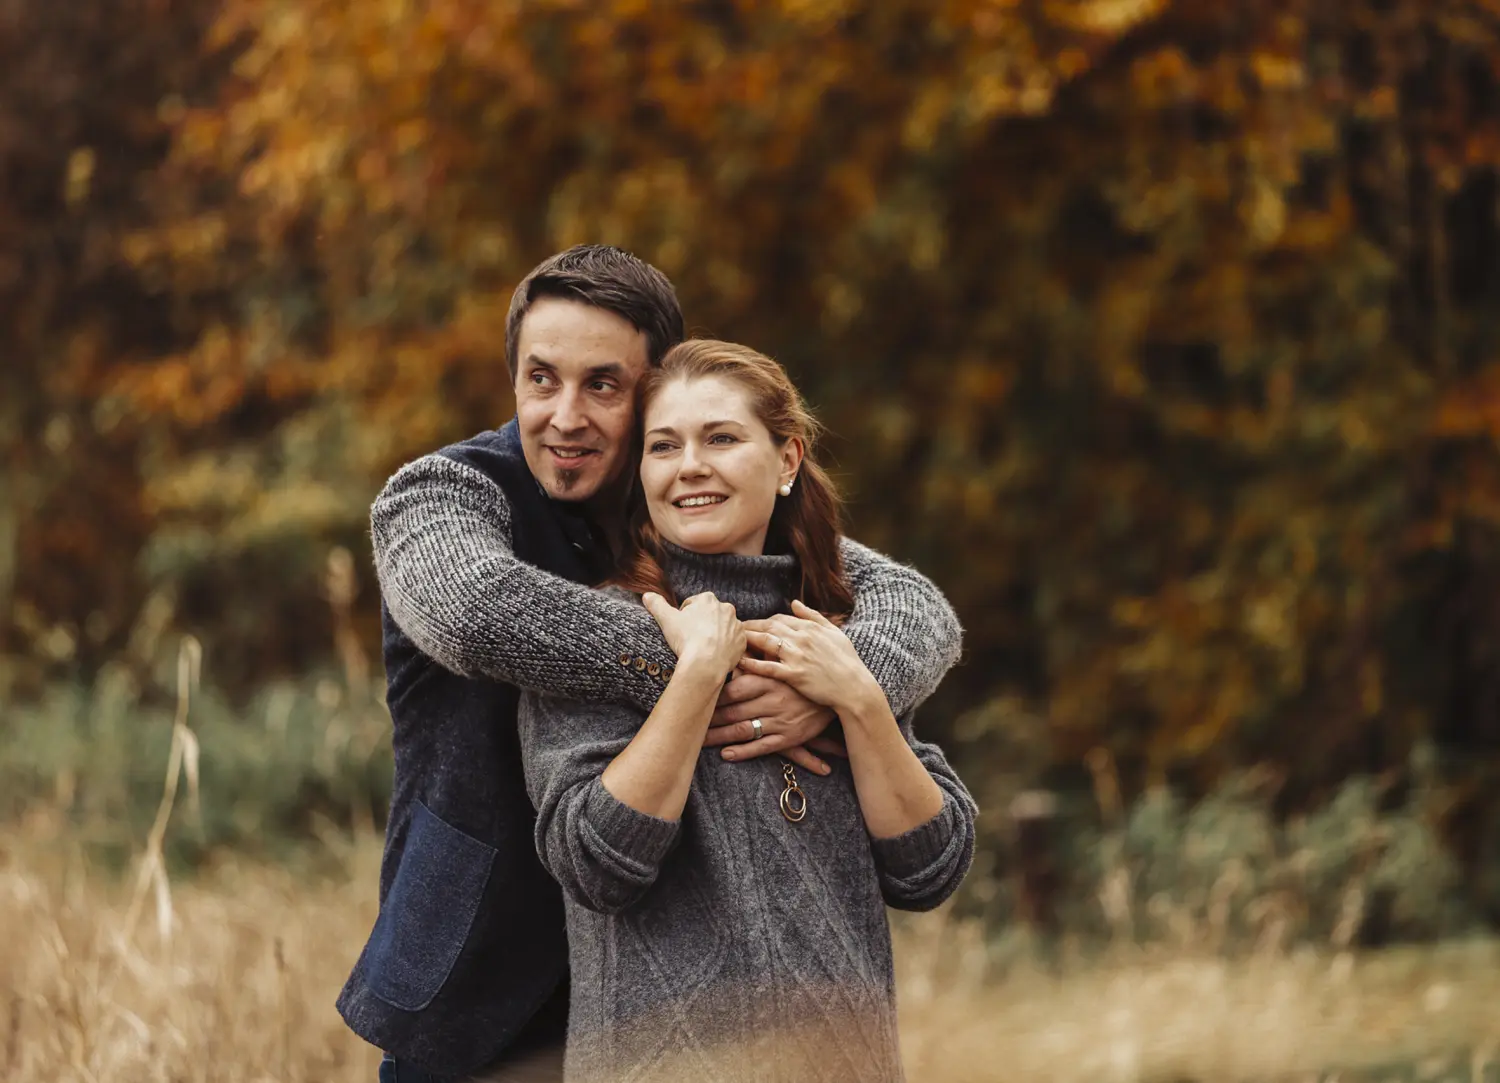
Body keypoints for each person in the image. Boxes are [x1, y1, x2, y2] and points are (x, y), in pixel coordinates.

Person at [336, 246, 966, 1082]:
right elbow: (472, 613)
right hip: (478, 971)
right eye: (540, 378)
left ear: (649, 388)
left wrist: (845, 688)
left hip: (641, 986)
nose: (565, 415)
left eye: (602, 384)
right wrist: (704, 672)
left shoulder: (683, 502)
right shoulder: (445, 493)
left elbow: (909, 598)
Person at [519, 338, 977, 1083]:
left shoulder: (838, 631)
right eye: (663, 445)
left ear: (788, 461)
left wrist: (858, 699)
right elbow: (594, 866)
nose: (690, 465)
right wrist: (696, 677)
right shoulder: (600, 635)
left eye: (721, 438)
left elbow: (931, 867)